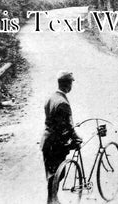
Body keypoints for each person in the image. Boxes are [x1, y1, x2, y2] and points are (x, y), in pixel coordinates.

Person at [41, 71, 82, 204]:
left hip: (47, 140)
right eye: (71, 83)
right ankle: (52, 200)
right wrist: (75, 138)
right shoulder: (63, 103)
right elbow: (66, 126)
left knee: (52, 174)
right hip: (56, 143)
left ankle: (52, 199)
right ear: (67, 85)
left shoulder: (51, 97)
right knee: (58, 173)